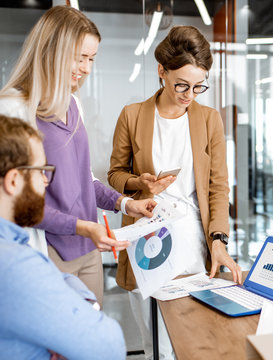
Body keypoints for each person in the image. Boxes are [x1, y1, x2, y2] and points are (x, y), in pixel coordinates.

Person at [0, 5, 157, 308]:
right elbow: (16, 204)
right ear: (52, 51)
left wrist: (126, 204)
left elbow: (84, 180)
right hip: (48, 250)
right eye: (80, 57)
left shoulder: (73, 104)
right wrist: (82, 226)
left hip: (88, 247)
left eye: (91, 59)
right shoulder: (13, 110)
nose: (86, 68)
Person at [108, 25, 242, 359]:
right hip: (146, 240)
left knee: (193, 337)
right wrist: (142, 184)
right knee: (157, 344)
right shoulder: (133, 115)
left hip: (192, 242)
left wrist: (219, 241)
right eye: (181, 84)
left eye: (199, 86)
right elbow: (114, 174)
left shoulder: (209, 120)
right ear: (161, 72)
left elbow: (218, 188)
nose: (189, 94)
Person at [0, 114, 126, 360]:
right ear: (14, 180)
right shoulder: (15, 264)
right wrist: (82, 300)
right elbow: (109, 348)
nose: (46, 181)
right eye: (41, 171)